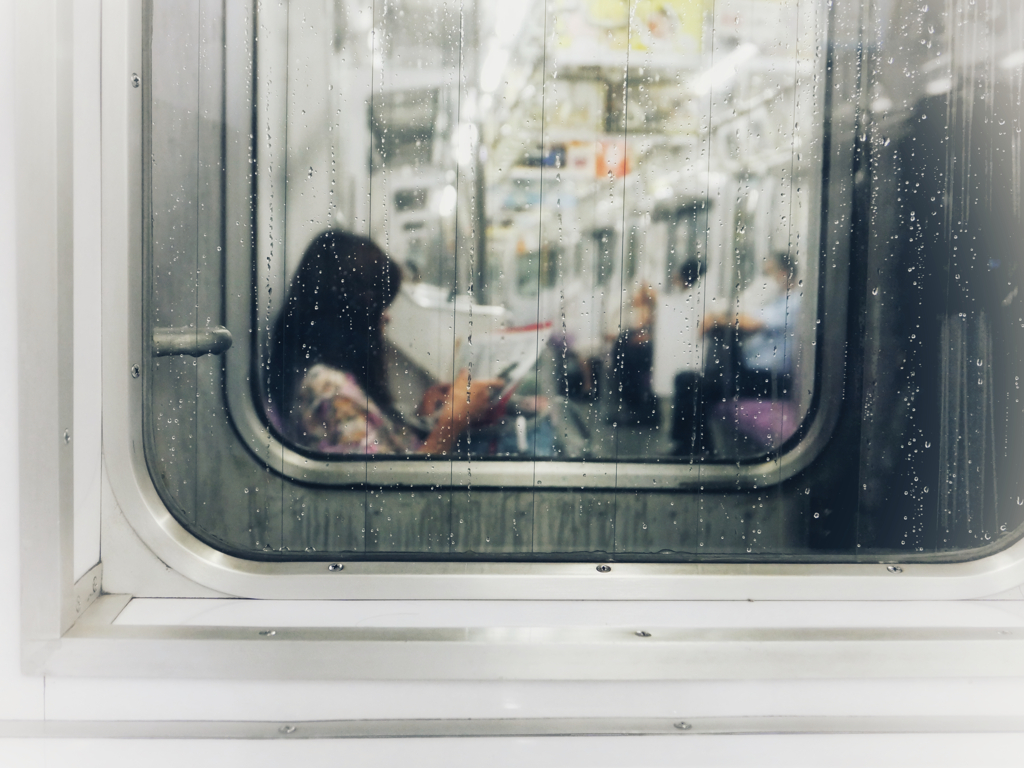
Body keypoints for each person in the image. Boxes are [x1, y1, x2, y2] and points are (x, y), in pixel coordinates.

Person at [266, 230, 501, 455]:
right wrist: (451, 423)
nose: (386, 316)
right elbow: (387, 492)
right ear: (352, 310)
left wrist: (425, 417)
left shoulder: (330, 377)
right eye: (379, 305)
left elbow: (384, 452)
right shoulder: (329, 390)